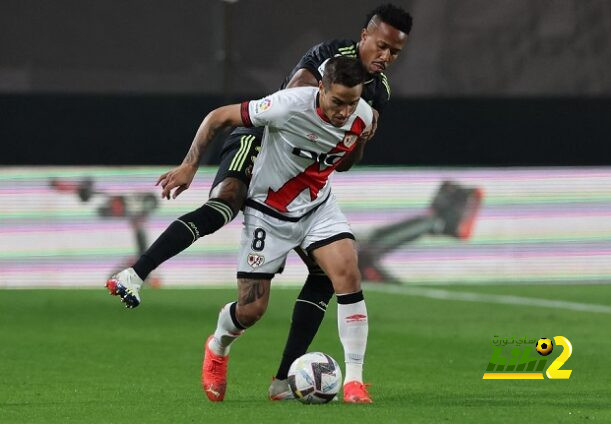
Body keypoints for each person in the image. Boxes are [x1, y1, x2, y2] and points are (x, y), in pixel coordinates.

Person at [106, 3, 412, 400]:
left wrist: (351, 138)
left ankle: (301, 379)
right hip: (263, 139)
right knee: (226, 210)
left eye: (396, 53)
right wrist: (189, 166)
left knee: (337, 274)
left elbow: (347, 152)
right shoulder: (321, 70)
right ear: (365, 35)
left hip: (310, 189)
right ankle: (143, 279)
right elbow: (286, 107)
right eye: (382, 46)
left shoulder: (373, 99)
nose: (386, 57)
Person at [159, 56, 374, 402]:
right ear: (321, 88)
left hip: (317, 206)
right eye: (337, 102)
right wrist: (189, 166)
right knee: (251, 311)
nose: (344, 112)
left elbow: (344, 163)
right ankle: (218, 344)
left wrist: (360, 139)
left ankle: (354, 382)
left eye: (351, 103)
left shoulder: (361, 114)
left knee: (347, 273)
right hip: (268, 210)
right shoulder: (287, 104)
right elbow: (219, 117)